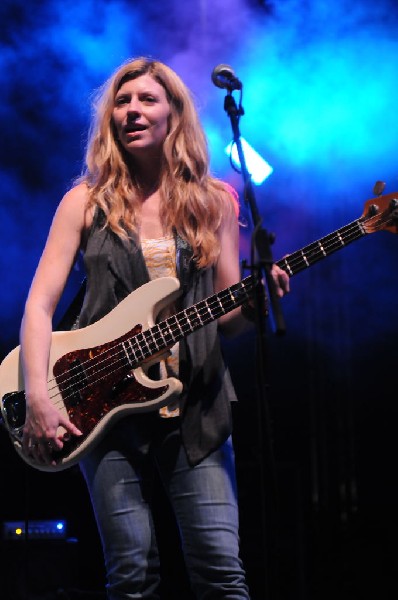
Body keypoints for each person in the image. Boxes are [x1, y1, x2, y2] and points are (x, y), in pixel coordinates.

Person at [19, 57, 290, 599]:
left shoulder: (215, 200)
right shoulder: (85, 203)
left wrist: (257, 306)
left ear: (174, 115)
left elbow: (228, 316)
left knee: (220, 574)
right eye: (122, 101)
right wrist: (36, 396)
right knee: (131, 575)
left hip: (196, 409)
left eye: (147, 99)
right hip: (103, 412)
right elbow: (38, 308)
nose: (132, 110)